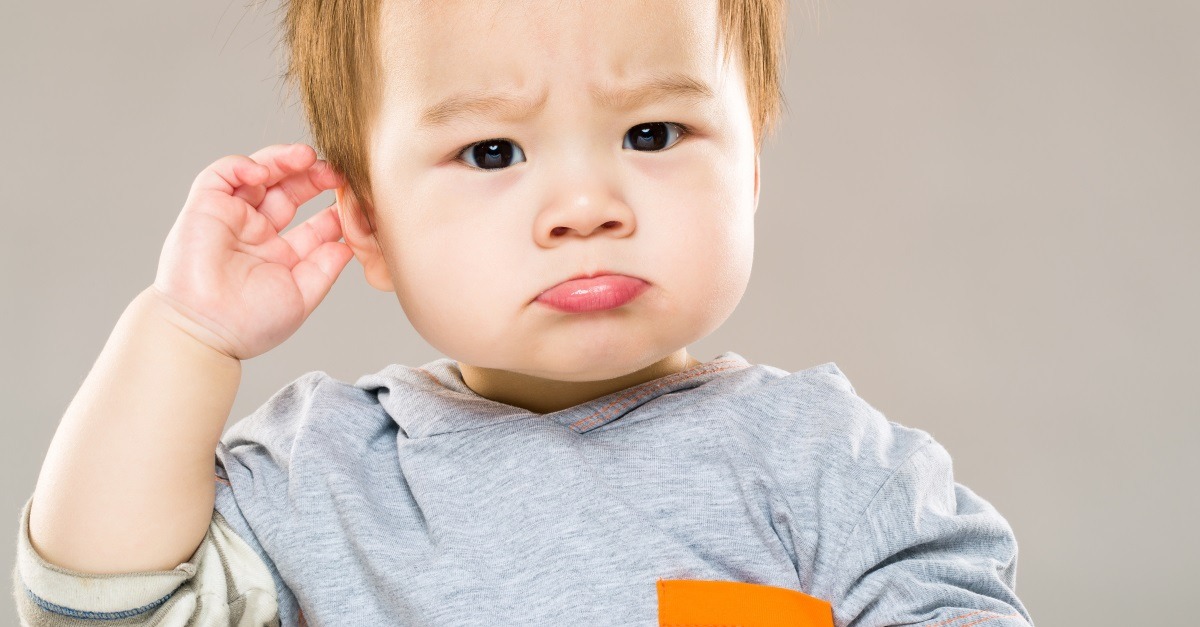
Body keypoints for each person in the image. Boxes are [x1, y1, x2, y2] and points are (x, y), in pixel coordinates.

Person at [11, 1, 1034, 625]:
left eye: (652, 131)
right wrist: (186, 332)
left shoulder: (827, 466)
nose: (588, 207)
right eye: (494, 153)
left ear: (750, 168)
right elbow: (102, 605)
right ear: (365, 220)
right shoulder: (325, 476)